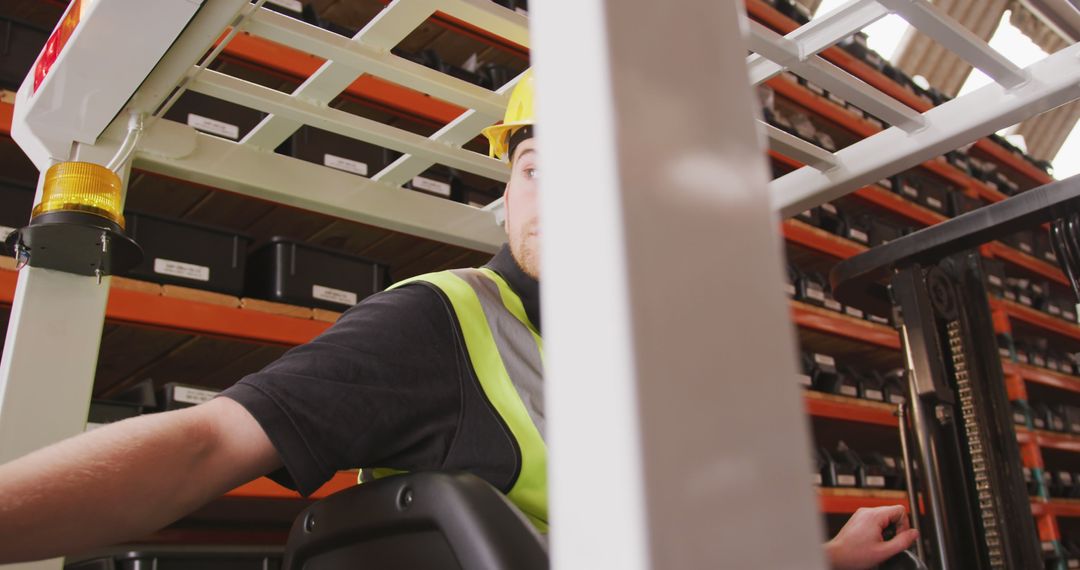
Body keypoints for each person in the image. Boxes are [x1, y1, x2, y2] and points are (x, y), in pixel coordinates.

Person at [0, 70, 918, 568]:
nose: (553, 199)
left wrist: (827, 560)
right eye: (533, 169)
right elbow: (204, 445)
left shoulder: (664, 369)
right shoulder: (442, 322)